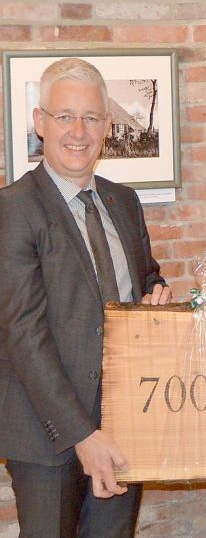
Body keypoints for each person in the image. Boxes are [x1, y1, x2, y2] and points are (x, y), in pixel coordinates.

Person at [0, 57, 171, 537]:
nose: (79, 131)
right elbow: (23, 333)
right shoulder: (12, 210)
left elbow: (146, 277)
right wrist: (81, 433)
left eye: (92, 118)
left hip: (123, 419)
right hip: (46, 434)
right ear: (40, 122)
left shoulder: (125, 201)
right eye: (65, 116)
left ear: (107, 127)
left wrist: (155, 296)